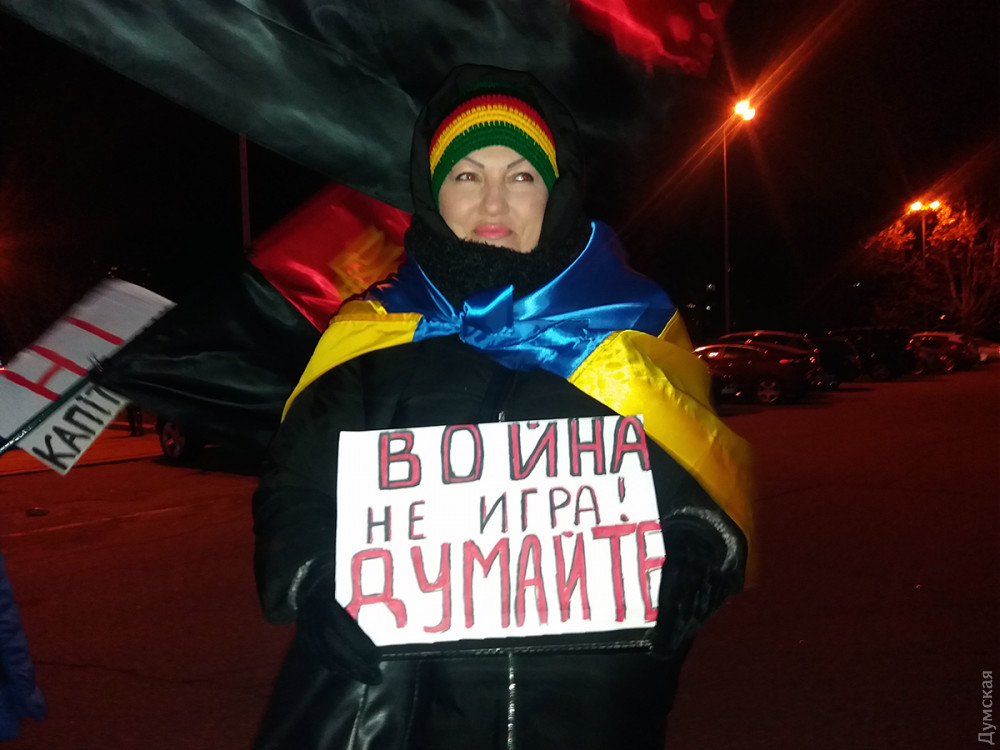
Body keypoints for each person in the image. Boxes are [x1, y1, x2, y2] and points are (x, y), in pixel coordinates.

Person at [251, 64, 753, 750]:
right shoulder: (372, 337)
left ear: (555, 191)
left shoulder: (629, 331)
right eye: (467, 175)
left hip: (588, 707)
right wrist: (313, 578)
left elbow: (699, 479)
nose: (493, 202)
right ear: (432, 192)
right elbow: (297, 488)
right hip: (407, 712)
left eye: (520, 176)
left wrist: (694, 550)